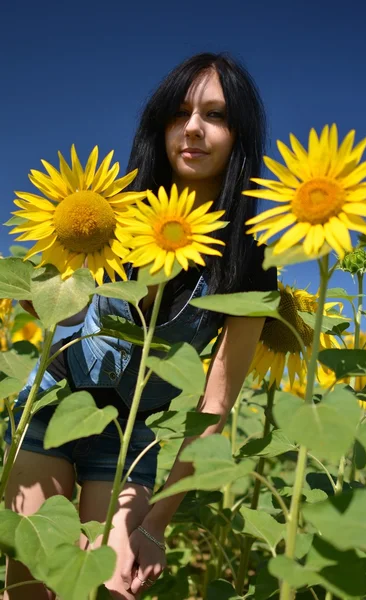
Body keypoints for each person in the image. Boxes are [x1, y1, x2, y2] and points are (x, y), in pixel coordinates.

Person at [4, 52, 277, 599]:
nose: (193, 129)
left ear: (239, 134)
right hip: (57, 405)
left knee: (114, 586)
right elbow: (58, 306)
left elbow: (215, 408)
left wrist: (153, 525)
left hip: (133, 442)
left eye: (216, 115)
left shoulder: (249, 262)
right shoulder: (109, 213)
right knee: (32, 583)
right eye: (180, 113)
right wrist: (46, 291)